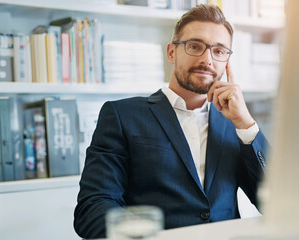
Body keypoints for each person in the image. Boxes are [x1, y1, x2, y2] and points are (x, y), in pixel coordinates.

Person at [74, 4, 269, 239]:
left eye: (219, 51)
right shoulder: (121, 115)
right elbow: (93, 208)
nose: (207, 60)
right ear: (171, 52)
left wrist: (246, 125)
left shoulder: (235, 125)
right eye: (195, 46)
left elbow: (278, 203)